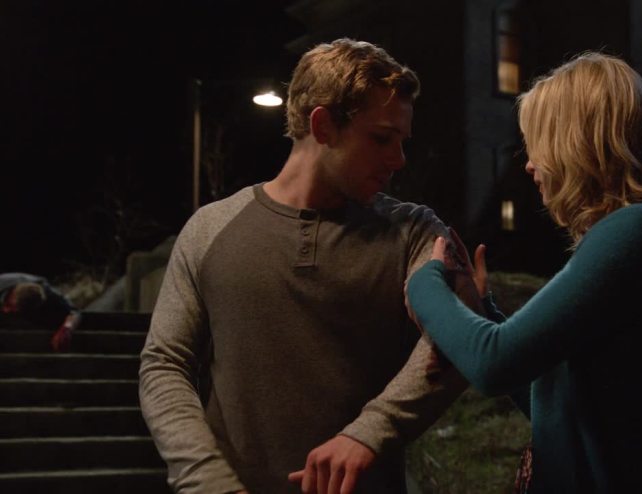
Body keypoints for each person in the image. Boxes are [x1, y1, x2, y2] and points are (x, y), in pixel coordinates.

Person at [139, 38, 476, 494]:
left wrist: (370, 431)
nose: (398, 160)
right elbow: (164, 363)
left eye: (402, 141)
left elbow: (457, 339)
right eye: (381, 138)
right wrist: (206, 479)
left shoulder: (414, 231)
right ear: (323, 126)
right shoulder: (210, 229)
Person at [406, 52, 642, 493]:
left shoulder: (639, 231)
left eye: (538, 143)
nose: (529, 164)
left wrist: (423, 280)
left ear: (576, 143)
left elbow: (492, 364)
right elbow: (561, 410)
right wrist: (482, 310)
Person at [0, 272, 81, 351]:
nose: (6, 310)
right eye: (9, 305)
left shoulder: (51, 296)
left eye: (14, 308)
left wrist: (66, 328)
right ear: (12, 294)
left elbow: (74, 312)